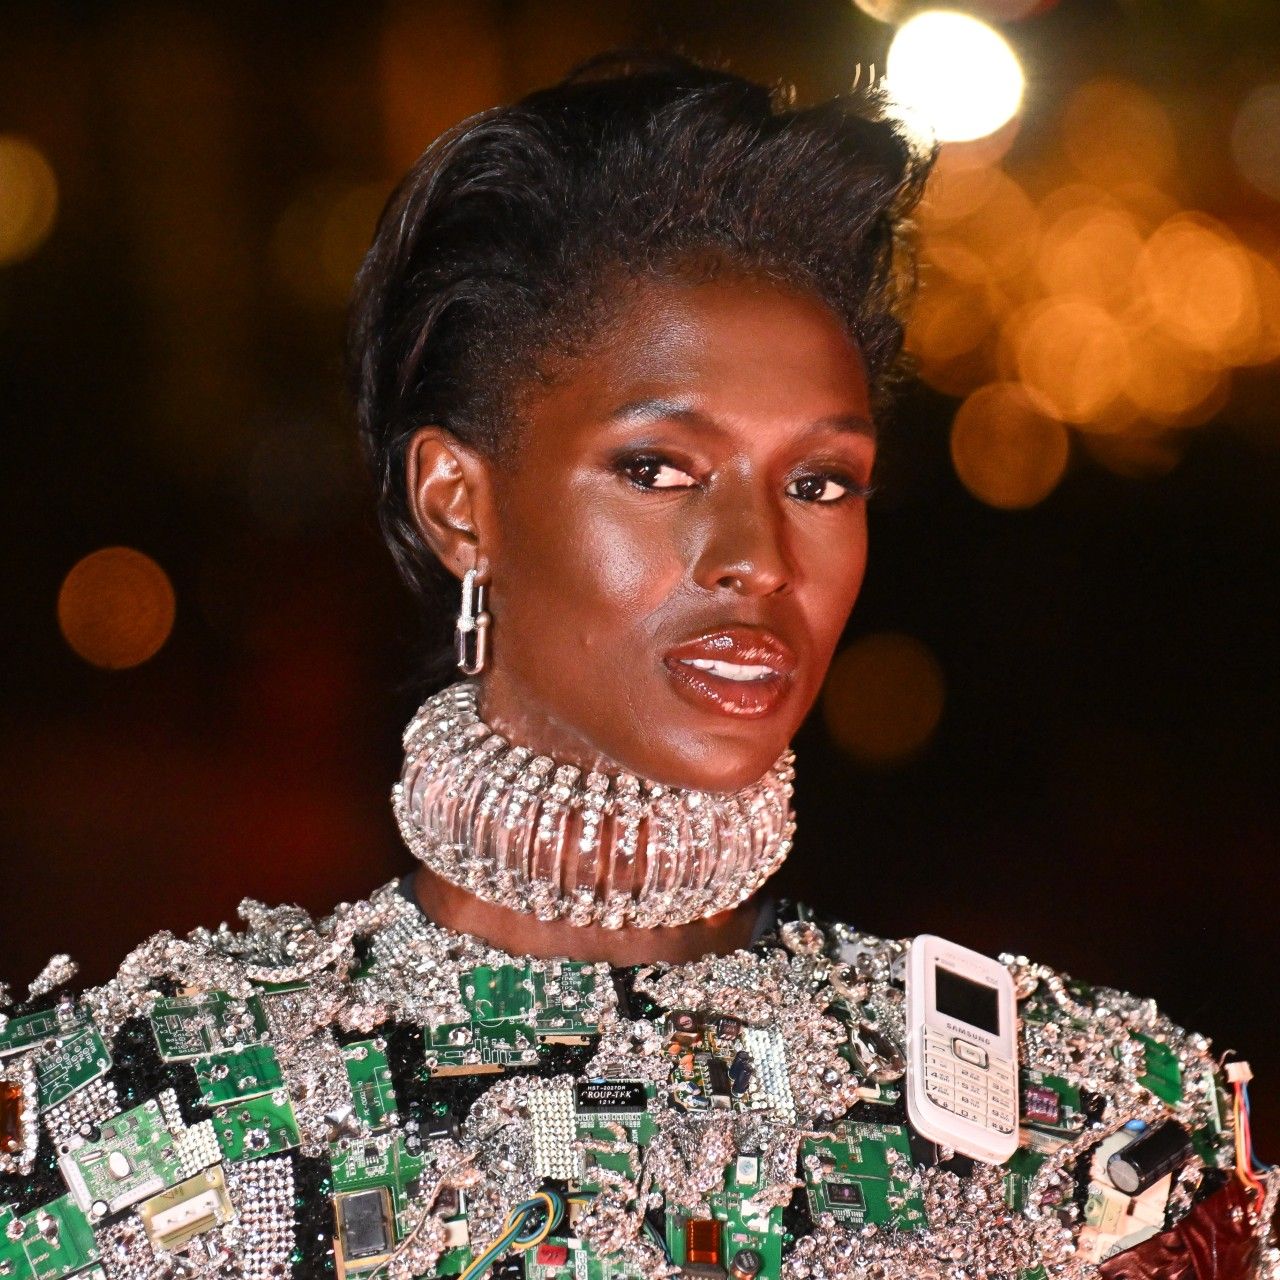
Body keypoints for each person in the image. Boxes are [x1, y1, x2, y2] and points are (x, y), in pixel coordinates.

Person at [0, 53, 1274, 1280]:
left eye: (819, 481)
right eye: (658, 468)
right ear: (458, 503)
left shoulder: (1086, 1141)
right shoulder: (122, 1136)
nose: (756, 558)